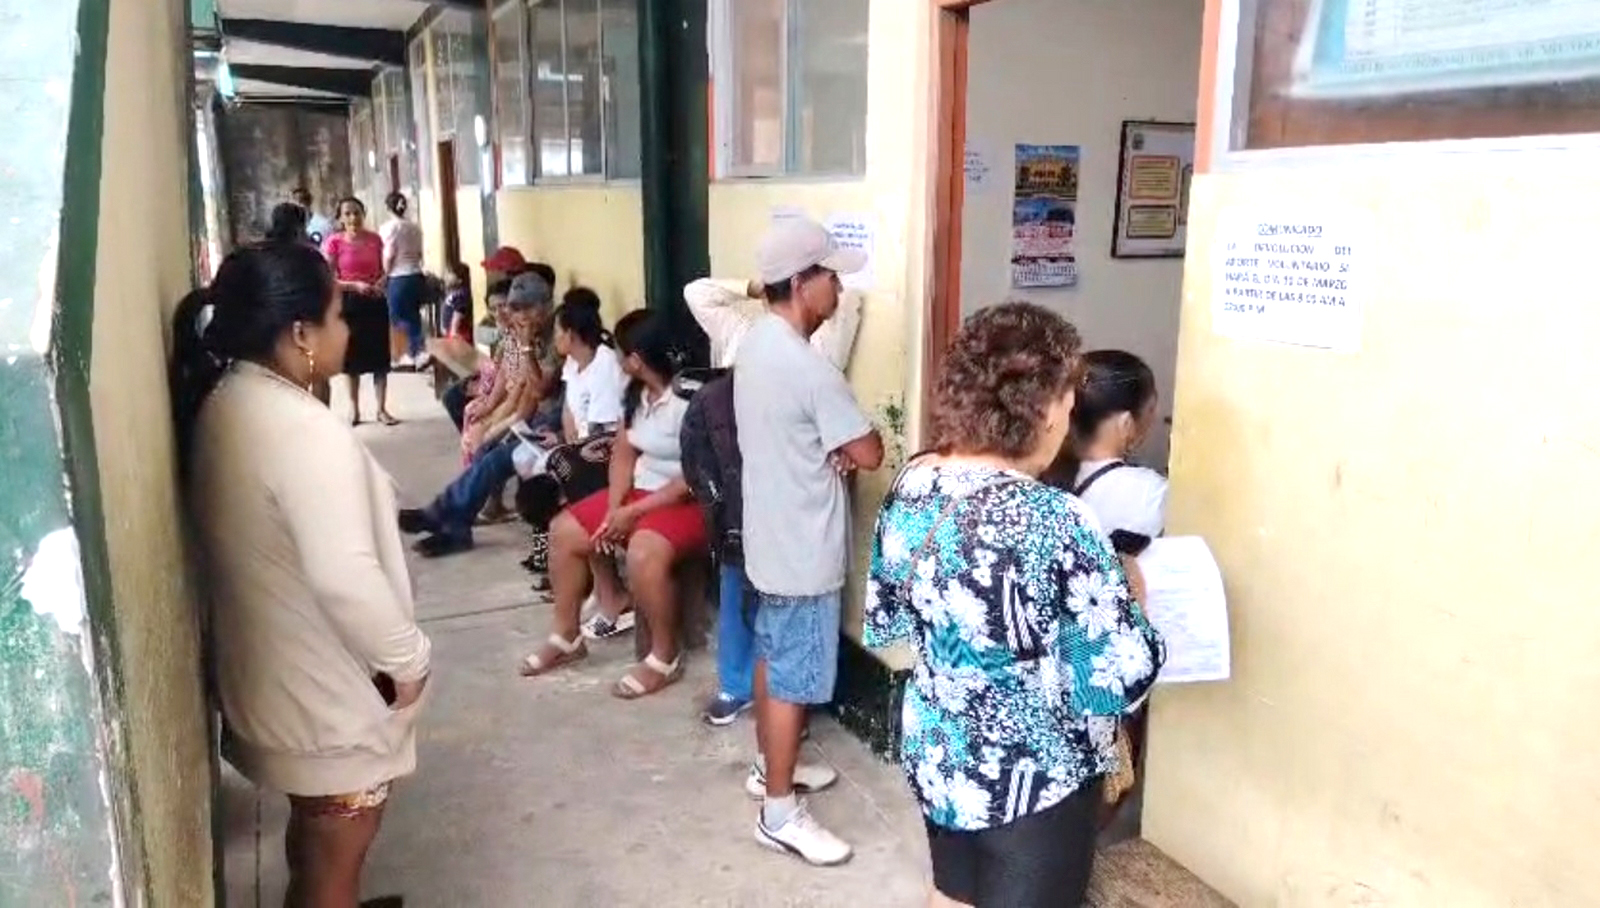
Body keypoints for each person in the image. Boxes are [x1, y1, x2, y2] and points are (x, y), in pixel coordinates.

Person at [863, 303, 1165, 907]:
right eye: (1067, 404)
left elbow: (889, 617)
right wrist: (1134, 592)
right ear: (1044, 410)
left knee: (952, 895)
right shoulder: (1054, 518)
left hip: (940, 745)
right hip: (1033, 774)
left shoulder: (914, 483)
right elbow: (1120, 677)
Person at [171, 242, 431, 908]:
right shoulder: (305, 433)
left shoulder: (228, 398)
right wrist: (409, 662)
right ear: (299, 333)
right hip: (325, 700)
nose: (347, 330)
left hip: (280, 682)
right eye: (338, 315)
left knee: (316, 840)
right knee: (338, 856)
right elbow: (346, 577)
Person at [734, 217, 884, 866]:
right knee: (793, 679)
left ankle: (770, 765)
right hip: (803, 548)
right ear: (801, 283)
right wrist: (846, 444)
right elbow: (870, 451)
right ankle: (779, 812)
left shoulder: (756, 344)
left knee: (773, 656)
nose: (839, 290)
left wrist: (829, 445)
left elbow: (803, 436)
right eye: (831, 278)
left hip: (770, 536)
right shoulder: (810, 369)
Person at [681, 274, 864, 727]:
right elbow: (698, 292)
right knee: (737, 564)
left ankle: (776, 728)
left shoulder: (815, 350)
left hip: (793, 475)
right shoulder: (747, 332)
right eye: (827, 277)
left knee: (778, 620)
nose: (837, 287)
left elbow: (849, 301)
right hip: (740, 456)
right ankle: (739, 687)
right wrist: (759, 285)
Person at [518, 309, 706, 699]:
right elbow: (623, 452)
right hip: (641, 496)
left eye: (622, 352)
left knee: (642, 552)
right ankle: (567, 637)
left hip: (687, 502)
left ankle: (664, 655)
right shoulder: (636, 395)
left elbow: (694, 477)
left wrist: (632, 513)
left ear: (637, 359)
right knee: (564, 530)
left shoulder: (688, 400)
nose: (617, 358)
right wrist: (614, 508)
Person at [399, 272, 557, 557]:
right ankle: (454, 524)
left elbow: (538, 391)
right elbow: (511, 386)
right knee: (483, 446)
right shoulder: (523, 335)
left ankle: (442, 515)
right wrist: (490, 414)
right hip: (535, 418)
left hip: (551, 424)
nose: (520, 315)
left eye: (527, 308)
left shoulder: (555, 337)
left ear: (546, 307)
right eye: (516, 308)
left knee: (493, 455)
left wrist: (495, 426)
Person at [1053, 349, 1167, 541]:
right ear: (1126, 424)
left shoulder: (1042, 474)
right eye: (1150, 411)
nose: (1153, 420)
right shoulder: (1152, 492)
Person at [321, 197, 397, 426]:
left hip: (375, 301)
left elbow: (383, 270)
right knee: (352, 359)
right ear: (340, 218)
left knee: (380, 359)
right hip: (350, 303)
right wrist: (353, 286)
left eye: (357, 212)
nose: (353, 218)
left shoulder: (375, 239)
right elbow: (329, 279)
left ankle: (381, 409)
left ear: (363, 214)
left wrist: (382, 281)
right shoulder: (334, 242)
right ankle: (354, 409)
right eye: (347, 213)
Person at [380, 191, 428, 369]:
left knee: (397, 317)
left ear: (388, 208)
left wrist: (385, 274)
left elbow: (389, 253)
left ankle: (403, 355)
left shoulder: (389, 228)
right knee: (414, 316)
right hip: (416, 275)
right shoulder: (415, 227)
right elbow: (420, 253)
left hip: (398, 277)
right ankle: (418, 353)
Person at [442, 262, 474, 343]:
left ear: (460, 280)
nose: (446, 276)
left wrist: (454, 330)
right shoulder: (453, 292)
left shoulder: (461, 294)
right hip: (451, 330)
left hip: (459, 332)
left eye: (450, 273)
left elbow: (459, 311)